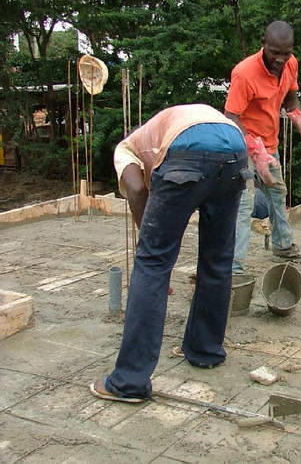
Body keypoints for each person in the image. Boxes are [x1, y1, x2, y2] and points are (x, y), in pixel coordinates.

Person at [90, 104, 250, 402]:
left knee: (151, 265)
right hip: (234, 150)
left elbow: (138, 192)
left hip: (187, 152)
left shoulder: (125, 149)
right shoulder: (164, 126)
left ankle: (128, 382)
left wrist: (151, 252)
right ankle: (205, 351)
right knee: (218, 259)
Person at [226, 20, 301, 273]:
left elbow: (291, 102)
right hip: (244, 145)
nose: (281, 59)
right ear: (263, 45)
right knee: (245, 202)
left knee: (277, 192)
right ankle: (234, 267)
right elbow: (231, 117)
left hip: (270, 142)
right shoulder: (244, 73)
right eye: (275, 53)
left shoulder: (290, 64)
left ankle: (282, 245)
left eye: (286, 53)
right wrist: (255, 151)